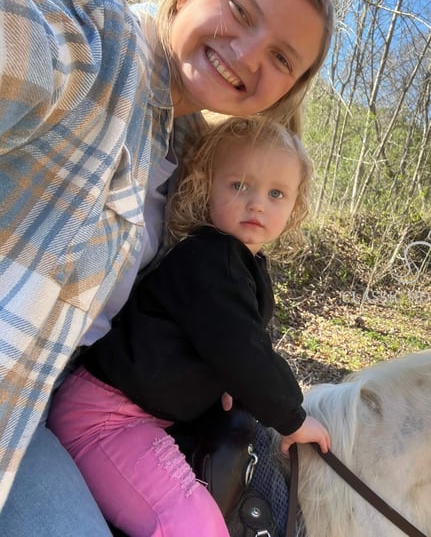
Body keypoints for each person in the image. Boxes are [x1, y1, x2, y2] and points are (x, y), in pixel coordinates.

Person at [0, 0, 333, 533]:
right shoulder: (96, 41)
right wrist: (286, 410)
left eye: (282, 58)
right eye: (240, 10)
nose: (250, 55)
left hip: (49, 405)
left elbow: (206, 317)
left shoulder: (189, 149)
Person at [48, 116, 330, 536]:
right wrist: (292, 416)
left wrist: (231, 381)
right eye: (239, 185)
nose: (257, 203)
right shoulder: (209, 259)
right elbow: (241, 348)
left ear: (292, 208)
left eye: (276, 193)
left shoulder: (239, 264)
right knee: (190, 524)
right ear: (206, 186)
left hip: (138, 415)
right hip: (104, 419)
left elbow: (231, 341)